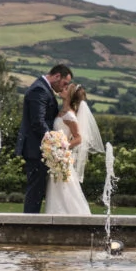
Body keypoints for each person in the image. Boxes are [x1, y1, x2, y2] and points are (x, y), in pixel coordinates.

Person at [15, 64, 72, 213]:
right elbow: (38, 122)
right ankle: (29, 224)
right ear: (57, 76)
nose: (64, 87)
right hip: (36, 148)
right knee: (35, 190)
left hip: (40, 148)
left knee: (38, 190)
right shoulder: (40, 90)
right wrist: (54, 142)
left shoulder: (43, 88)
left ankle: (32, 222)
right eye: (65, 83)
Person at [44, 83, 104, 215]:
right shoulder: (62, 111)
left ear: (70, 96)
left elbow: (78, 138)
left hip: (61, 157)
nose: (62, 89)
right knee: (57, 189)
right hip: (57, 158)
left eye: (66, 89)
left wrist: (63, 147)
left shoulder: (70, 116)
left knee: (66, 189)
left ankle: (74, 215)